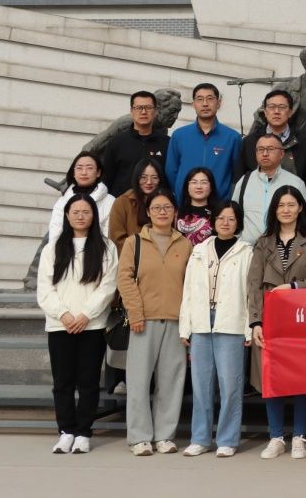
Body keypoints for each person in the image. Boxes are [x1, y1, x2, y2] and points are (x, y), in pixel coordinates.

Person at [247, 186, 306, 460]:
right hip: (270, 319)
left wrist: (293, 287)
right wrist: (255, 322)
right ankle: (276, 436)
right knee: (271, 376)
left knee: (301, 377)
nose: (286, 210)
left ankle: (299, 436)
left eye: (291, 204)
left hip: (302, 318)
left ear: (300, 207)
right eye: (281, 205)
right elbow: (253, 284)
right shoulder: (263, 242)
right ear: (274, 209)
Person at [37, 194, 118, 454]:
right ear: (67, 215)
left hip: (91, 325)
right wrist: (63, 314)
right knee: (63, 382)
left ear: (94, 215)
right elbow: (44, 288)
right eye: (76, 212)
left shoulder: (106, 247)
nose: (81, 216)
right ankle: (66, 431)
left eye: (86, 212)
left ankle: (83, 432)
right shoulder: (53, 248)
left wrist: (86, 315)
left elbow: (108, 286)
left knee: (88, 381)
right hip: (60, 325)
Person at [118, 189, 195, 456]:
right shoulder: (135, 242)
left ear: (175, 212)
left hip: (175, 322)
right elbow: (125, 278)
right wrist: (135, 312)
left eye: (167, 208)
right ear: (148, 212)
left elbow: (191, 284)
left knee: (171, 381)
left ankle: (164, 435)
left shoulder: (185, 244)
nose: (162, 212)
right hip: (143, 322)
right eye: (156, 208)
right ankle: (139, 437)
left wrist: (188, 321)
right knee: (138, 381)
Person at [179, 201, 252, 458]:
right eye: (221, 218)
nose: (225, 223)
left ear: (238, 223)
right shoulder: (199, 250)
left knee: (230, 385)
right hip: (201, 320)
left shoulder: (246, 252)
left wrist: (249, 328)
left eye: (231, 219)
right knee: (201, 385)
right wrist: (185, 326)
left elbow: (250, 294)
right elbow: (188, 289)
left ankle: (227, 439)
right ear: (214, 221)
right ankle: (200, 438)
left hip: (231, 322)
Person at [166, 83, 242, 201]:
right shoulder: (179, 135)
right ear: (193, 104)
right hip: (186, 205)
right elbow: (171, 171)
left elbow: (237, 175)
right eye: (200, 99)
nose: (205, 104)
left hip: (219, 206)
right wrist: (181, 192)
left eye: (210, 99)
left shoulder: (233, 137)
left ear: (218, 103)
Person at [232, 134, 306, 244]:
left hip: (283, 250)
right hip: (248, 249)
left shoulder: (296, 183)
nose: (265, 153)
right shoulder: (244, 182)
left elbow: (303, 220)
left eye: (270, 149)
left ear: (282, 153)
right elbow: (234, 216)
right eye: (260, 149)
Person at [101, 91, 170, 197]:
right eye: (139, 108)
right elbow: (106, 179)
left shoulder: (167, 143)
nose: (143, 112)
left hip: (155, 204)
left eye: (148, 108)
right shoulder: (117, 142)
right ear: (131, 111)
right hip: (123, 203)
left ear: (156, 111)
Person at [238, 90, 306, 183]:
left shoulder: (303, 143)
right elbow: (240, 178)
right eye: (272, 107)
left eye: (282, 107)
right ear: (265, 112)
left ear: (290, 112)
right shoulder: (250, 142)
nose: (276, 111)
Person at [49, 152, 116, 243]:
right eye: (79, 168)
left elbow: (109, 236)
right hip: (66, 250)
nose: (84, 173)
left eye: (89, 168)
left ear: (98, 172)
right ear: (74, 173)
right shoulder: (62, 201)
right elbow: (55, 232)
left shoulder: (110, 201)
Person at [109, 158, 165, 251]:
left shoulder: (166, 202)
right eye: (143, 177)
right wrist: (141, 253)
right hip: (131, 256)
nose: (149, 182)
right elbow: (117, 238)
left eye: (154, 177)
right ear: (136, 178)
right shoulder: (122, 202)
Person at [176, 168, 217, 245]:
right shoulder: (177, 212)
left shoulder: (218, 212)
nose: (199, 187)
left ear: (211, 187)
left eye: (204, 182)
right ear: (187, 187)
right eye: (194, 182)